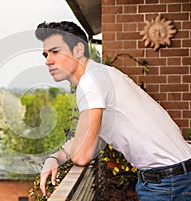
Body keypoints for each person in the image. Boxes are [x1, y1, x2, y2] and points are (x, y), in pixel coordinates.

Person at [35, 21, 191, 200]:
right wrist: (56, 157)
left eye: (55, 51)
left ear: (78, 49)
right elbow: (89, 140)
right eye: (45, 54)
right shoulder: (102, 74)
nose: (48, 61)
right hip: (174, 177)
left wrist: (62, 155)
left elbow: (83, 154)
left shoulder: (91, 81)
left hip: (168, 183)